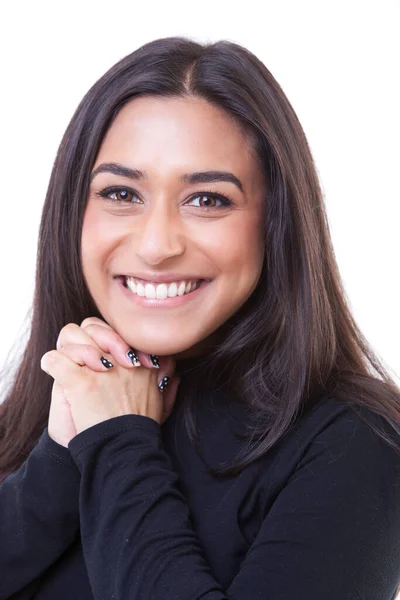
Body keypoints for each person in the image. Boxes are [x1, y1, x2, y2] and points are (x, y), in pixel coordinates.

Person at [0, 36, 400, 600]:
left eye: (207, 199)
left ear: (275, 223)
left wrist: (118, 443)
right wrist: (62, 455)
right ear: (72, 216)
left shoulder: (354, 445)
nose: (158, 245)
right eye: (121, 192)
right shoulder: (32, 426)